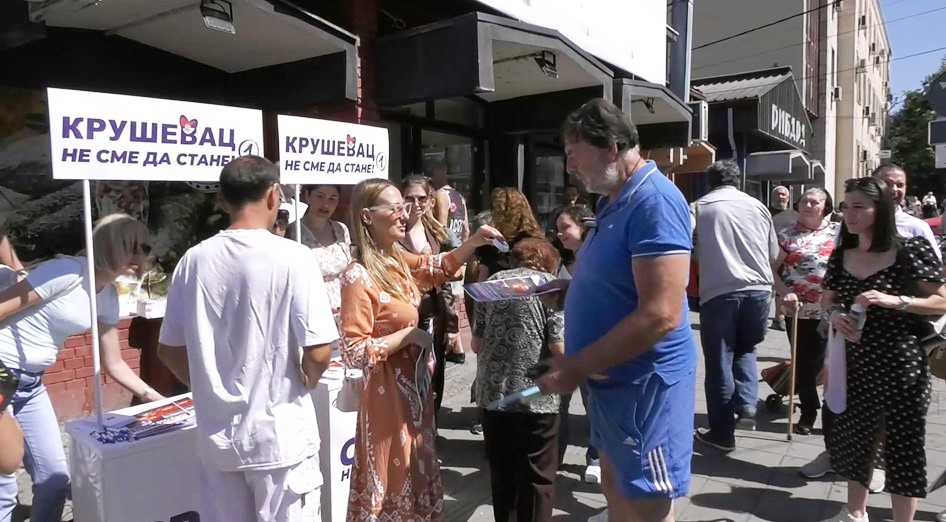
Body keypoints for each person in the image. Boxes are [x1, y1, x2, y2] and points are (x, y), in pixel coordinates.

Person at [536, 98, 696, 522]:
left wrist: (578, 365)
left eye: (574, 154)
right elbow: (616, 276)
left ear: (610, 147)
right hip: (613, 383)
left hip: (645, 386)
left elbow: (661, 314)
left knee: (645, 502)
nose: (569, 166)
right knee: (615, 483)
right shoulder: (613, 199)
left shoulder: (655, 201)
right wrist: (571, 290)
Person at [158, 156, 338, 522]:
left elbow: (169, 350)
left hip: (219, 440)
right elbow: (319, 350)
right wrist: (306, 379)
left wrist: (206, 384)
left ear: (223, 200)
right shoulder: (294, 257)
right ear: (274, 195)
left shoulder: (192, 261)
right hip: (280, 436)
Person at [340, 178, 502, 521]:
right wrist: (409, 336)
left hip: (414, 393)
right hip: (385, 398)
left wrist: (473, 241)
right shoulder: (358, 276)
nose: (405, 214)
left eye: (405, 207)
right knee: (391, 481)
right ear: (367, 216)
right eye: (395, 208)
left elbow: (436, 268)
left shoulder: (396, 258)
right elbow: (354, 350)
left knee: (414, 474)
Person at [0, 214, 163, 522]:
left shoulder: (109, 295)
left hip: (31, 386)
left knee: (54, 480)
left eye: (144, 248)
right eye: (131, 245)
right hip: (0, 371)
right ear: (109, 244)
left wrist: (156, 399)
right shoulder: (67, 272)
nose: (139, 255)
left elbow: (114, 363)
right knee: (4, 484)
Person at [819, 177, 946, 522]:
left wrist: (897, 300)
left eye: (859, 207)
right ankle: (855, 513)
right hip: (855, 362)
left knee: (903, 445)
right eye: (846, 207)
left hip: (901, 363)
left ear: (881, 210)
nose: (850, 214)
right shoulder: (842, 254)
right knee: (856, 439)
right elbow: (827, 300)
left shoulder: (910, 250)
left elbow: (941, 301)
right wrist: (834, 315)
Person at [472, 238, 564, 522]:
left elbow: (476, 344)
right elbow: (559, 346)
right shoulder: (550, 286)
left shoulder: (492, 284)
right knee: (537, 475)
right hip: (537, 397)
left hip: (493, 393)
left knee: (503, 472)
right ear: (550, 263)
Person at [693, 160, 778, 451]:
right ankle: (747, 406)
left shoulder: (699, 207)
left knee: (719, 362)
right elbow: (772, 253)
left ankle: (722, 433)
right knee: (746, 349)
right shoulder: (758, 207)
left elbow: (685, 248)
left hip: (720, 291)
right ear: (737, 181)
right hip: (759, 290)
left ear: (710, 182)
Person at [771, 187, 839, 435]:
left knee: (830, 363)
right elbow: (772, 268)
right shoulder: (786, 235)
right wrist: (783, 292)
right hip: (798, 310)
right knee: (804, 364)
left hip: (831, 310)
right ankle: (809, 411)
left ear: (825, 207)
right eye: (804, 201)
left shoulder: (839, 233)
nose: (808, 205)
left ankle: (835, 413)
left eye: (814, 202)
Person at [399, 175, 460, 414]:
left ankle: (429, 427)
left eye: (421, 198)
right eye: (409, 198)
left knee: (432, 373)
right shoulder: (393, 229)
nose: (416, 204)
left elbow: (446, 282)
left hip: (432, 312)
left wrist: (452, 326)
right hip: (400, 313)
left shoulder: (437, 233)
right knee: (404, 373)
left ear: (430, 201)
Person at [553, 204, 601, 483]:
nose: (560, 234)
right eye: (557, 230)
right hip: (565, 342)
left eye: (565, 228)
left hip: (591, 343)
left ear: (583, 226)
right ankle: (556, 456)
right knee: (559, 403)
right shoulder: (566, 259)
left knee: (593, 404)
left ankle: (595, 458)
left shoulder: (596, 257)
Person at [287, 184, 352, 358]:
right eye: (320, 196)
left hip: (344, 312)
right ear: (307, 196)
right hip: (312, 312)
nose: (326, 204)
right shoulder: (293, 232)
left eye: (332, 199)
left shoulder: (341, 229)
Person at [428, 162, 469, 363]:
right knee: (451, 300)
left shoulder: (439, 195)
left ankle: (456, 348)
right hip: (459, 252)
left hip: (446, 256)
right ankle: (457, 348)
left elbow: (442, 229)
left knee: (447, 301)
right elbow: (466, 229)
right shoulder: (459, 196)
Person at [769, 185, 797, 331]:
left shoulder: (795, 215)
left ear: (788, 197)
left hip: (785, 256)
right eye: (778, 194)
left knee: (782, 286)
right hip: (767, 254)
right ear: (772, 196)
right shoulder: (765, 213)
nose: (780, 197)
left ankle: (778, 317)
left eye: (783, 194)